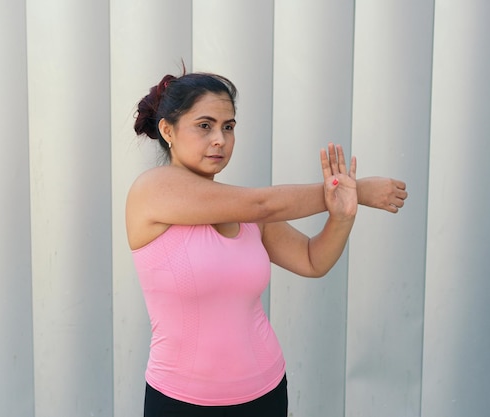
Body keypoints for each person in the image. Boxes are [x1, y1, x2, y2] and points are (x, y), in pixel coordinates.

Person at [127, 70, 407, 417]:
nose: (220, 139)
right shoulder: (152, 190)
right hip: (182, 401)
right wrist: (358, 189)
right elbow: (265, 204)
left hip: (265, 392)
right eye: (205, 125)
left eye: (228, 127)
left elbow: (311, 260)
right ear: (168, 130)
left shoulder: (243, 208)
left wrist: (343, 214)